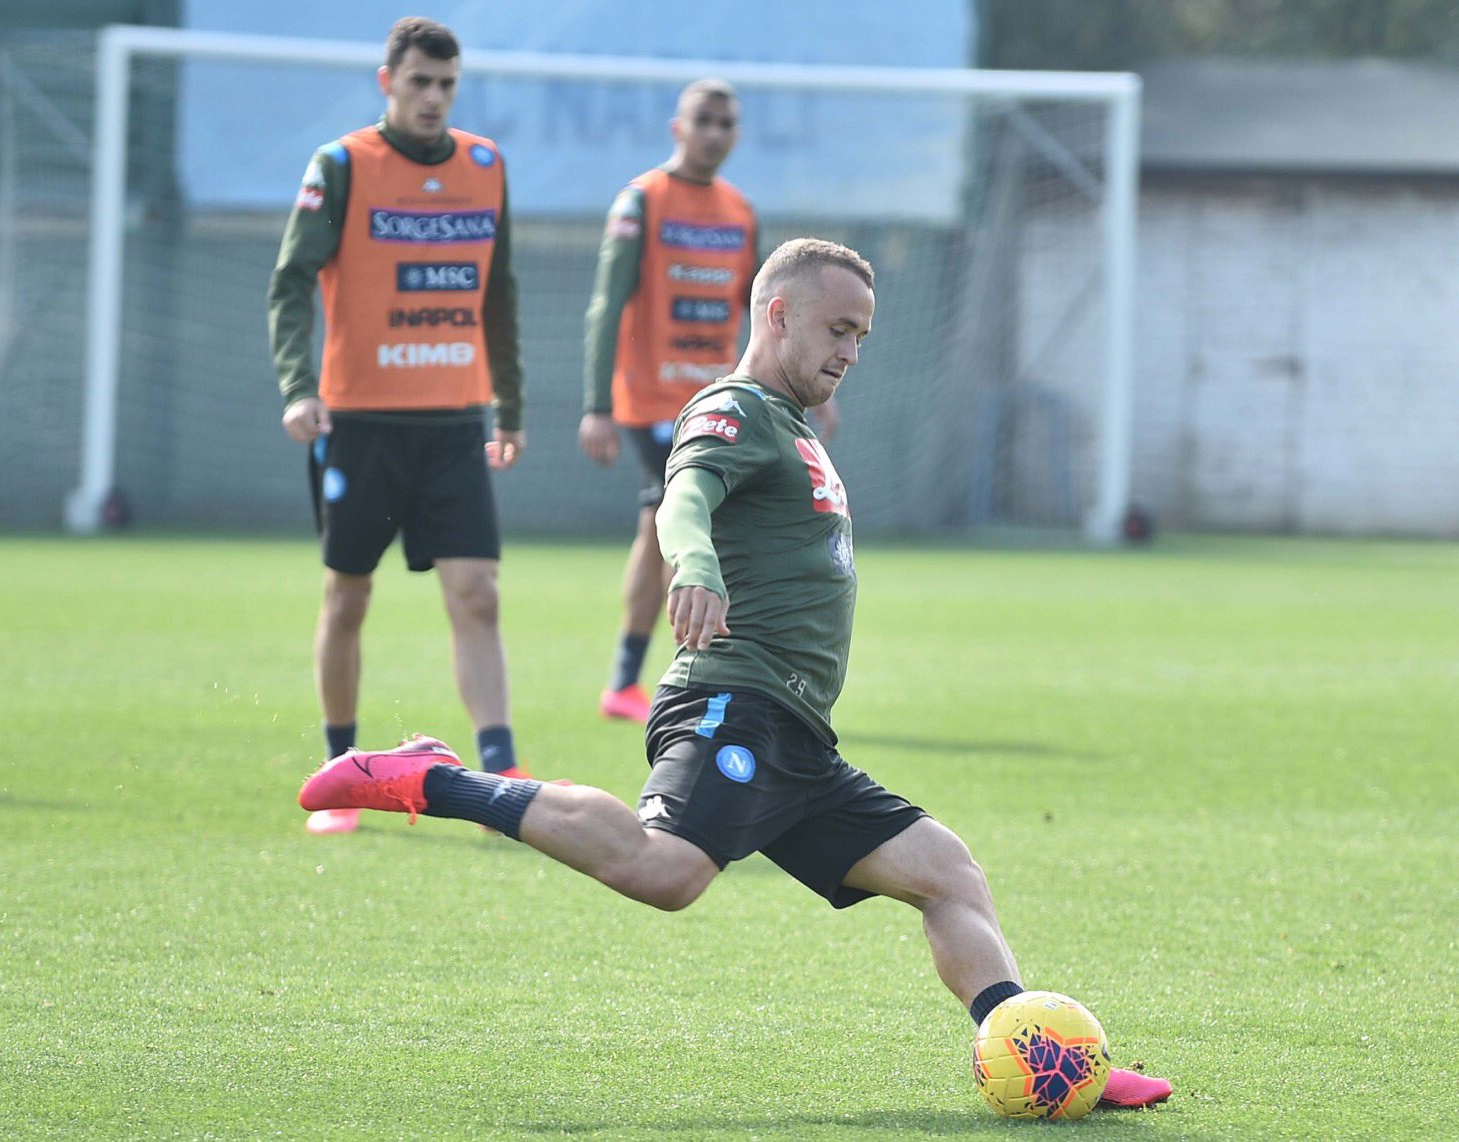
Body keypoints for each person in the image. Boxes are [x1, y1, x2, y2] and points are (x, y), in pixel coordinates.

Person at [297, 238, 1171, 1109]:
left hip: (795, 735)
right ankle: (436, 780)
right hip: (732, 701)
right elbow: (683, 497)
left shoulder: (794, 425)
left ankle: (1049, 1058)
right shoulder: (736, 408)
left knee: (946, 873)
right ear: (776, 314)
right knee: (666, 871)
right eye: (837, 329)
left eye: (861, 336)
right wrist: (694, 566)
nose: (850, 353)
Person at [269, 17, 528, 836]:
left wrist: (510, 406)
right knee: (348, 595)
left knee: (477, 593)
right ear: (388, 82)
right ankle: (339, 771)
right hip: (363, 425)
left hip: (455, 422)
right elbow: (290, 281)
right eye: (418, 82)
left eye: (445, 85)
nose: (432, 98)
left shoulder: (485, 167)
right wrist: (299, 386)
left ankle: (500, 773)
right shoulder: (342, 165)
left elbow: (498, 293)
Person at [579, 79, 833, 724]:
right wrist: (596, 404)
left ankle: (637, 676)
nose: (715, 133)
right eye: (704, 121)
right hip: (649, 400)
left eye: (726, 123)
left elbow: (762, 312)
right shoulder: (642, 200)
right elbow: (609, 305)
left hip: (715, 395)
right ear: (678, 127)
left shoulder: (739, 212)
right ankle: (651, 674)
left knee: (673, 523)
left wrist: (800, 388)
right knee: (674, 518)